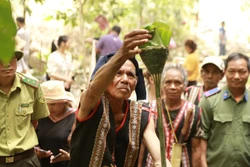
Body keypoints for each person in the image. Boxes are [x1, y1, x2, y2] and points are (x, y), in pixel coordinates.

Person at [68, 29, 172, 167]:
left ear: (136, 82)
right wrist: (122, 53)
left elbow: (159, 159)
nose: (125, 80)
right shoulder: (91, 103)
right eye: (118, 73)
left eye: (130, 75)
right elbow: (93, 90)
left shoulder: (142, 115)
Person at [0, 37, 49, 166]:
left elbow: (34, 122)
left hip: (25, 161)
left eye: (11, 58)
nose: (6, 64)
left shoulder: (32, 87)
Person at [199, 52, 250, 167]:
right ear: (225, 72)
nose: (236, 76)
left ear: (249, 73)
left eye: (242, 72)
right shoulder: (209, 100)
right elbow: (202, 138)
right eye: (231, 71)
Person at [146, 64, 201, 167]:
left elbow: (196, 149)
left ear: (184, 85)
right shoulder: (150, 108)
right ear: (162, 84)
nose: (172, 87)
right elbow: (143, 146)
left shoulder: (194, 112)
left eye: (177, 83)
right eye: (168, 82)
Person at [35, 80, 76, 167]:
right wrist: (37, 151)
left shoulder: (75, 118)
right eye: (46, 104)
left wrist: (69, 156)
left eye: (53, 104)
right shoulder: (40, 117)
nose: (49, 108)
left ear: (63, 102)